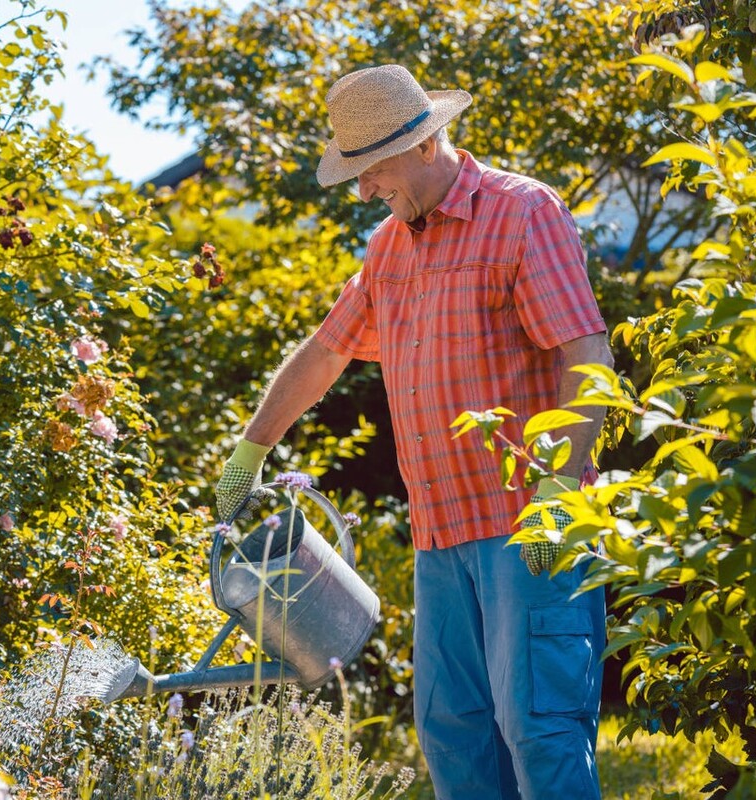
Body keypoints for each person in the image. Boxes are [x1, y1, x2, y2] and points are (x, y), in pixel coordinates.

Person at [215, 64, 612, 800]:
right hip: (440, 538)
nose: (364, 190)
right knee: (453, 736)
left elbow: (585, 353)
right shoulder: (390, 249)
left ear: (426, 144)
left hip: (528, 527)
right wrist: (253, 446)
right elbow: (327, 351)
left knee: (541, 732)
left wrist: (558, 492)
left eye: (371, 170)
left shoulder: (523, 213)